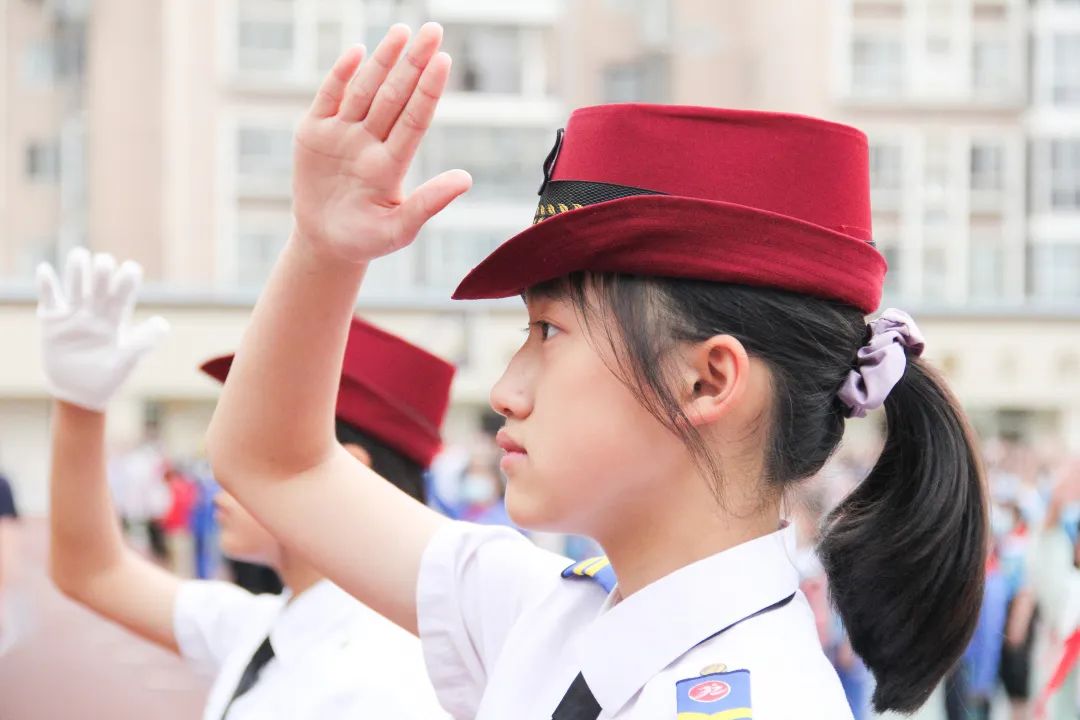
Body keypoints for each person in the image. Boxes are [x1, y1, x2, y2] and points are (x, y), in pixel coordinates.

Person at [205, 22, 988, 719]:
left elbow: (281, 469)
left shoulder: (757, 698)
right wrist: (323, 251)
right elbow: (275, 464)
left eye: (549, 331)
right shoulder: (553, 618)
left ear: (708, 381)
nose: (507, 391)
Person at [37, 248, 452, 719]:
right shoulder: (274, 622)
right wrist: (79, 406)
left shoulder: (390, 674)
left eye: (252, 449)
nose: (223, 475)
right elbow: (91, 571)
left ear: (347, 470)